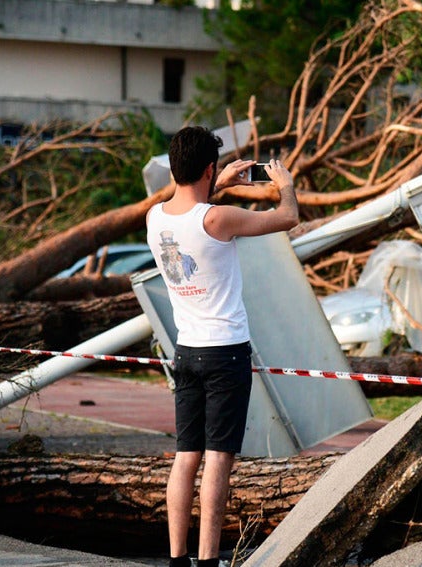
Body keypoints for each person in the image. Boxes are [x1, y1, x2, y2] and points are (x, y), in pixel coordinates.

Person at [145, 126, 299, 567]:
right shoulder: (218, 218)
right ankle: (209, 561)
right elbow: (287, 218)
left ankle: (178, 559)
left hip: (186, 350)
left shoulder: (155, 219)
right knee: (217, 461)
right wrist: (284, 187)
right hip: (225, 352)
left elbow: (190, 202)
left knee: (185, 458)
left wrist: (222, 181)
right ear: (209, 168)